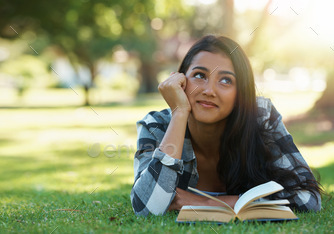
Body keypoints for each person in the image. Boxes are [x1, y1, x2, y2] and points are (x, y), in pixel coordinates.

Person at [130, 35, 322, 216]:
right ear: (180, 80)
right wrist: (179, 112)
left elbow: (308, 199)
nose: (209, 90)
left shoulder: (261, 116)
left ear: (241, 93)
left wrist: (205, 203)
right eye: (199, 75)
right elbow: (147, 209)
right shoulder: (157, 126)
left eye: (225, 80)